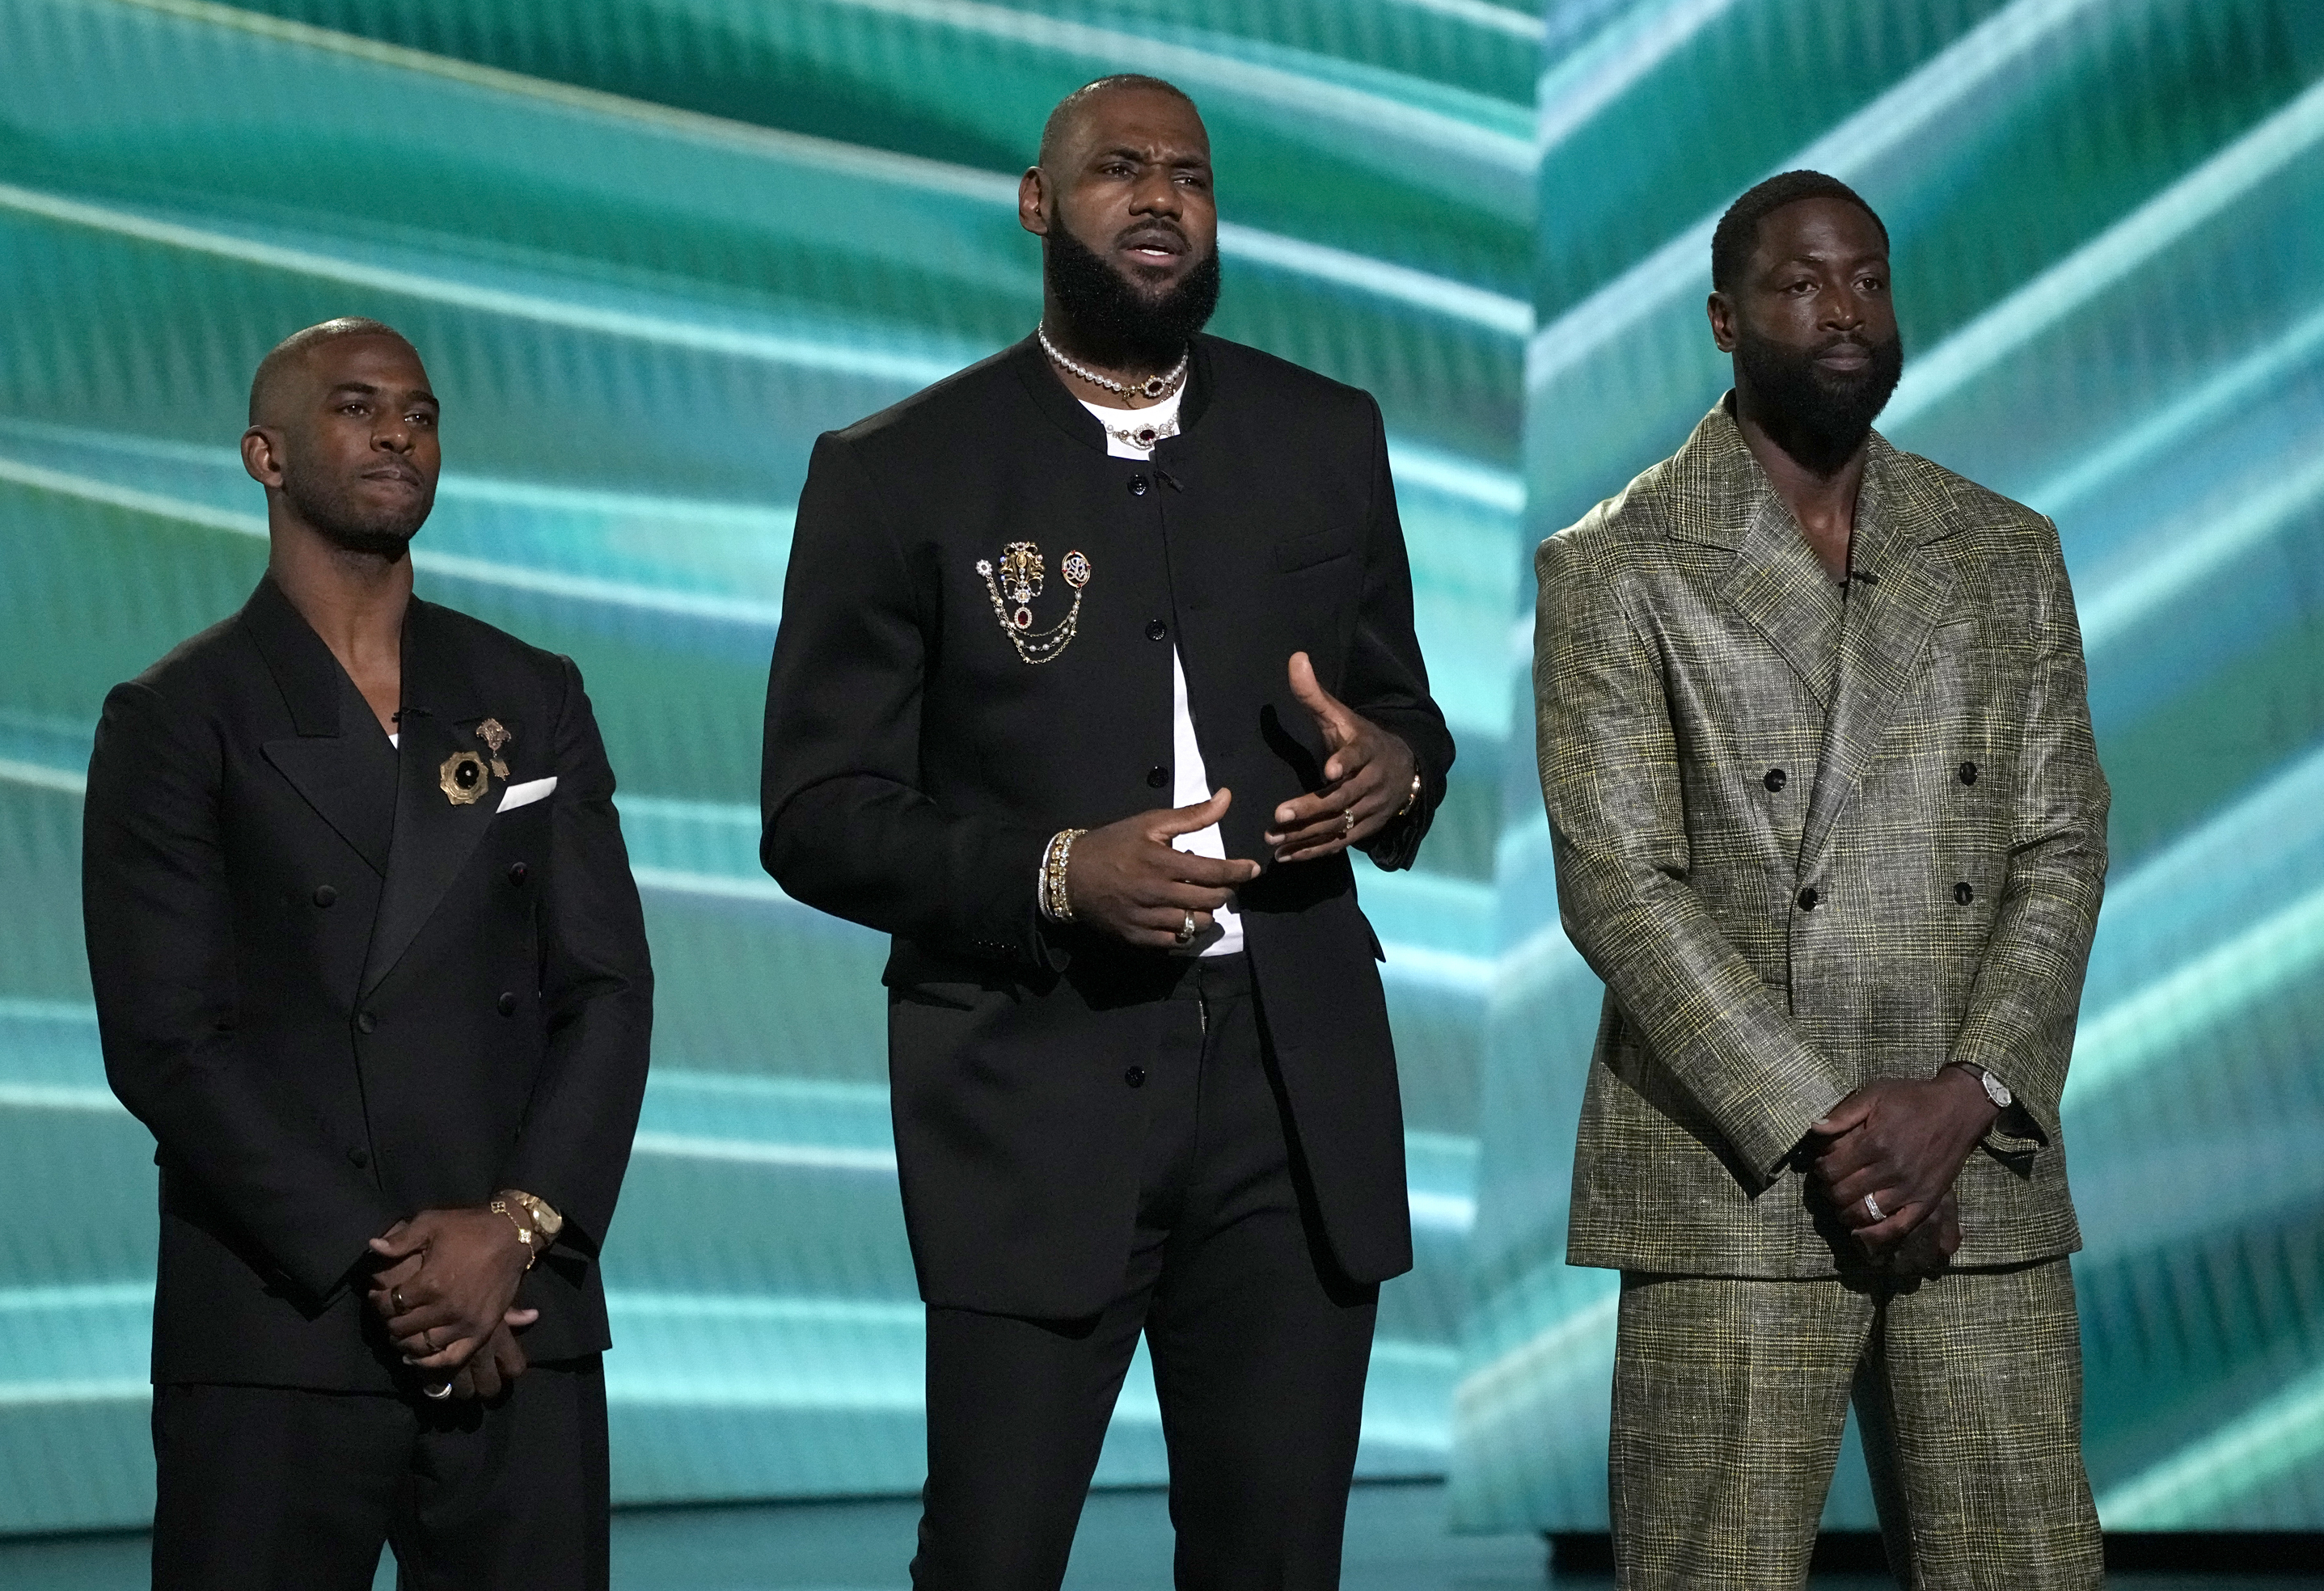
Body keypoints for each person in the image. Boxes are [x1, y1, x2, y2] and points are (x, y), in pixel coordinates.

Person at [760, 74, 1455, 1589]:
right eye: (1119, 170)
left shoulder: (1325, 434)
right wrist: (1062, 872)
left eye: (1191, 176)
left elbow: (1407, 712)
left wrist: (1396, 772)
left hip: (1291, 1093)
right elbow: (815, 818)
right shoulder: (897, 472)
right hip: (1034, 1093)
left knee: (1276, 1562)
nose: (1161, 199)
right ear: (1037, 204)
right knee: (993, 1559)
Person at [1532, 170, 2109, 1587]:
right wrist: (1839, 1131)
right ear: (1726, 321)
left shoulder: (2003, 553)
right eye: (1802, 283)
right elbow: (1619, 883)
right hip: (1732, 1179)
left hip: (1976, 1167)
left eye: (1869, 277)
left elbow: (2061, 843)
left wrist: (1964, 1099)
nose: (1844, 311)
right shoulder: (1617, 565)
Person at [82, 318, 652, 1589]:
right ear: (263, 456)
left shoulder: (530, 691)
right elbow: (168, 1043)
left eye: (421, 411)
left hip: (518, 1307)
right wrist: (399, 1269)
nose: (399, 430)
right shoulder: (178, 718)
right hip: (287, 1321)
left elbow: (606, 989)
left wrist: (509, 1230)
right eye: (355, 407)